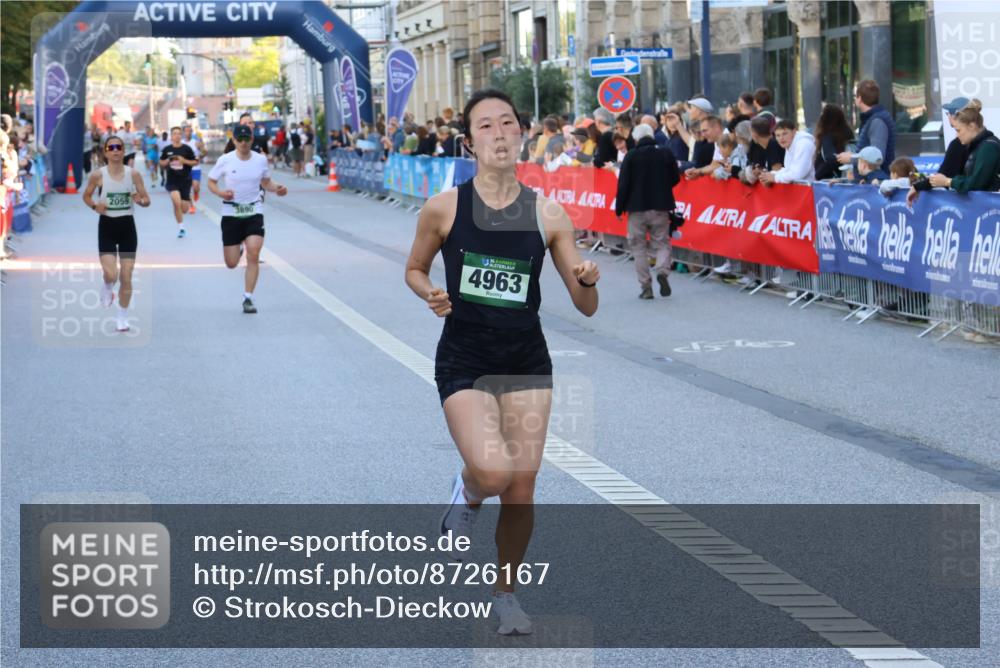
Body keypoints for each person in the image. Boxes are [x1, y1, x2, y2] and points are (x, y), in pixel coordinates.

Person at [404, 88, 599, 636]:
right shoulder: (444, 208)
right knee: (492, 472)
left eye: (507, 123)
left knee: (522, 485)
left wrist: (586, 281)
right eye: (485, 126)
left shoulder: (548, 212)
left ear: (522, 134)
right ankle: (466, 493)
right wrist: (430, 293)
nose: (498, 133)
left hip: (524, 358)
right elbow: (415, 268)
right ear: (470, 141)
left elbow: (585, 305)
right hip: (465, 354)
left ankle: (506, 593)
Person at [207, 124, 288, 314]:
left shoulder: (260, 160)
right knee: (231, 263)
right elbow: (211, 181)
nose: (243, 143)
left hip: (254, 211)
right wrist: (220, 193)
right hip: (231, 214)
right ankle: (239, 247)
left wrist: (278, 188)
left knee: (254, 253)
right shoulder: (226, 160)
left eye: (247, 139)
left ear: (252, 140)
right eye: (239, 139)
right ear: (234, 140)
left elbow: (266, 182)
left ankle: (248, 297)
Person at [81, 134, 151, 332]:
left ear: (123, 150)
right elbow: (86, 196)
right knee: (111, 274)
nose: (115, 150)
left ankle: (122, 316)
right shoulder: (98, 175)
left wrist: (140, 201)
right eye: (111, 147)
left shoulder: (133, 174)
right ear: (105, 152)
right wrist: (95, 206)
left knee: (127, 276)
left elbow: (147, 200)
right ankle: (107, 285)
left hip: (128, 227)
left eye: (118, 147)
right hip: (107, 227)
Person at [616, 123, 680, 299]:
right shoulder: (665, 153)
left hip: (636, 209)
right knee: (662, 243)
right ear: (651, 136)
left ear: (636, 139)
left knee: (638, 248)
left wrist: (619, 208)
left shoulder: (631, 156)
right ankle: (662, 271)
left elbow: (623, 185)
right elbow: (675, 177)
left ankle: (646, 287)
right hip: (660, 206)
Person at [924, 99, 1000, 193]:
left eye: (958, 130)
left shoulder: (988, 147)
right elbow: (973, 180)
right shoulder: (980, 146)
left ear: (972, 126)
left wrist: (948, 181)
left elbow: (977, 185)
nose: (957, 135)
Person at [908, 97, 973, 203]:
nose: (948, 116)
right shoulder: (988, 142)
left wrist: (917, 186)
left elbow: (942, 175)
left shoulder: (959, 144)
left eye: (949, 113)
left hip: (965, 204)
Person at [837, 79, 895, 168]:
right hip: (870, 179)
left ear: (859, 98)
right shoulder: (874, 119)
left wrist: (851, 158)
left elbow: (877, 158)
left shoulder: (877, 121)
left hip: (875, 180)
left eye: (855, 96)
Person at [159, 126, 197, 238]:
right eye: (175, 133)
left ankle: (186, 200)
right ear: (171, 136)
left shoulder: (187, 149)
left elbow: (195, 162)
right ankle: (181, 228)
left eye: (179, 133)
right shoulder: (167, 149)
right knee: (176, 203)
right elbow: (161, 162)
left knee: (184, 209)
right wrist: (166, 161)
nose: (177, 135)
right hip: (172, 181)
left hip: (185, 180)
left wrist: (183, 160)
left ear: (182, 135)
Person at [759, 119, 815, 184]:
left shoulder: (804, 144)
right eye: (778, 135)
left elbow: (798, 174)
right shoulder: (790, 144)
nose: (781, 138)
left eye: (784, 134)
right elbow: (789, 169)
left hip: (816, 191)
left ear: (794, 132)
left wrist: (775, 177)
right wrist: (769, 175)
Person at [814, 104, 854, 180]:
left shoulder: (828, 137)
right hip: (846, 179)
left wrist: (818, 174)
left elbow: (831, 159)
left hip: (829, 182)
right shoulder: (847, 135)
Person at [742, 116, 784, 184]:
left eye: (751, 132)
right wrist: (760, 171)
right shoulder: (766, 146)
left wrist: (763, 175)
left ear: (754, 134)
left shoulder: (773, 145)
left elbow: (776, 173)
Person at [182, 124, 205, 207]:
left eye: (190, 131)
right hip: (185, 169)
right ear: (183, 132)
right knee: (187, 189)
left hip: (196, 168)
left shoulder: (196, 143)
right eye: (186, 131)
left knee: (195, 187)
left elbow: (204, 152)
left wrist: (200, 156)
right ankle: (191, 205)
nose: (188, 133)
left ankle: (196, 193)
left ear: (192, 132)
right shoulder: (181, 143)